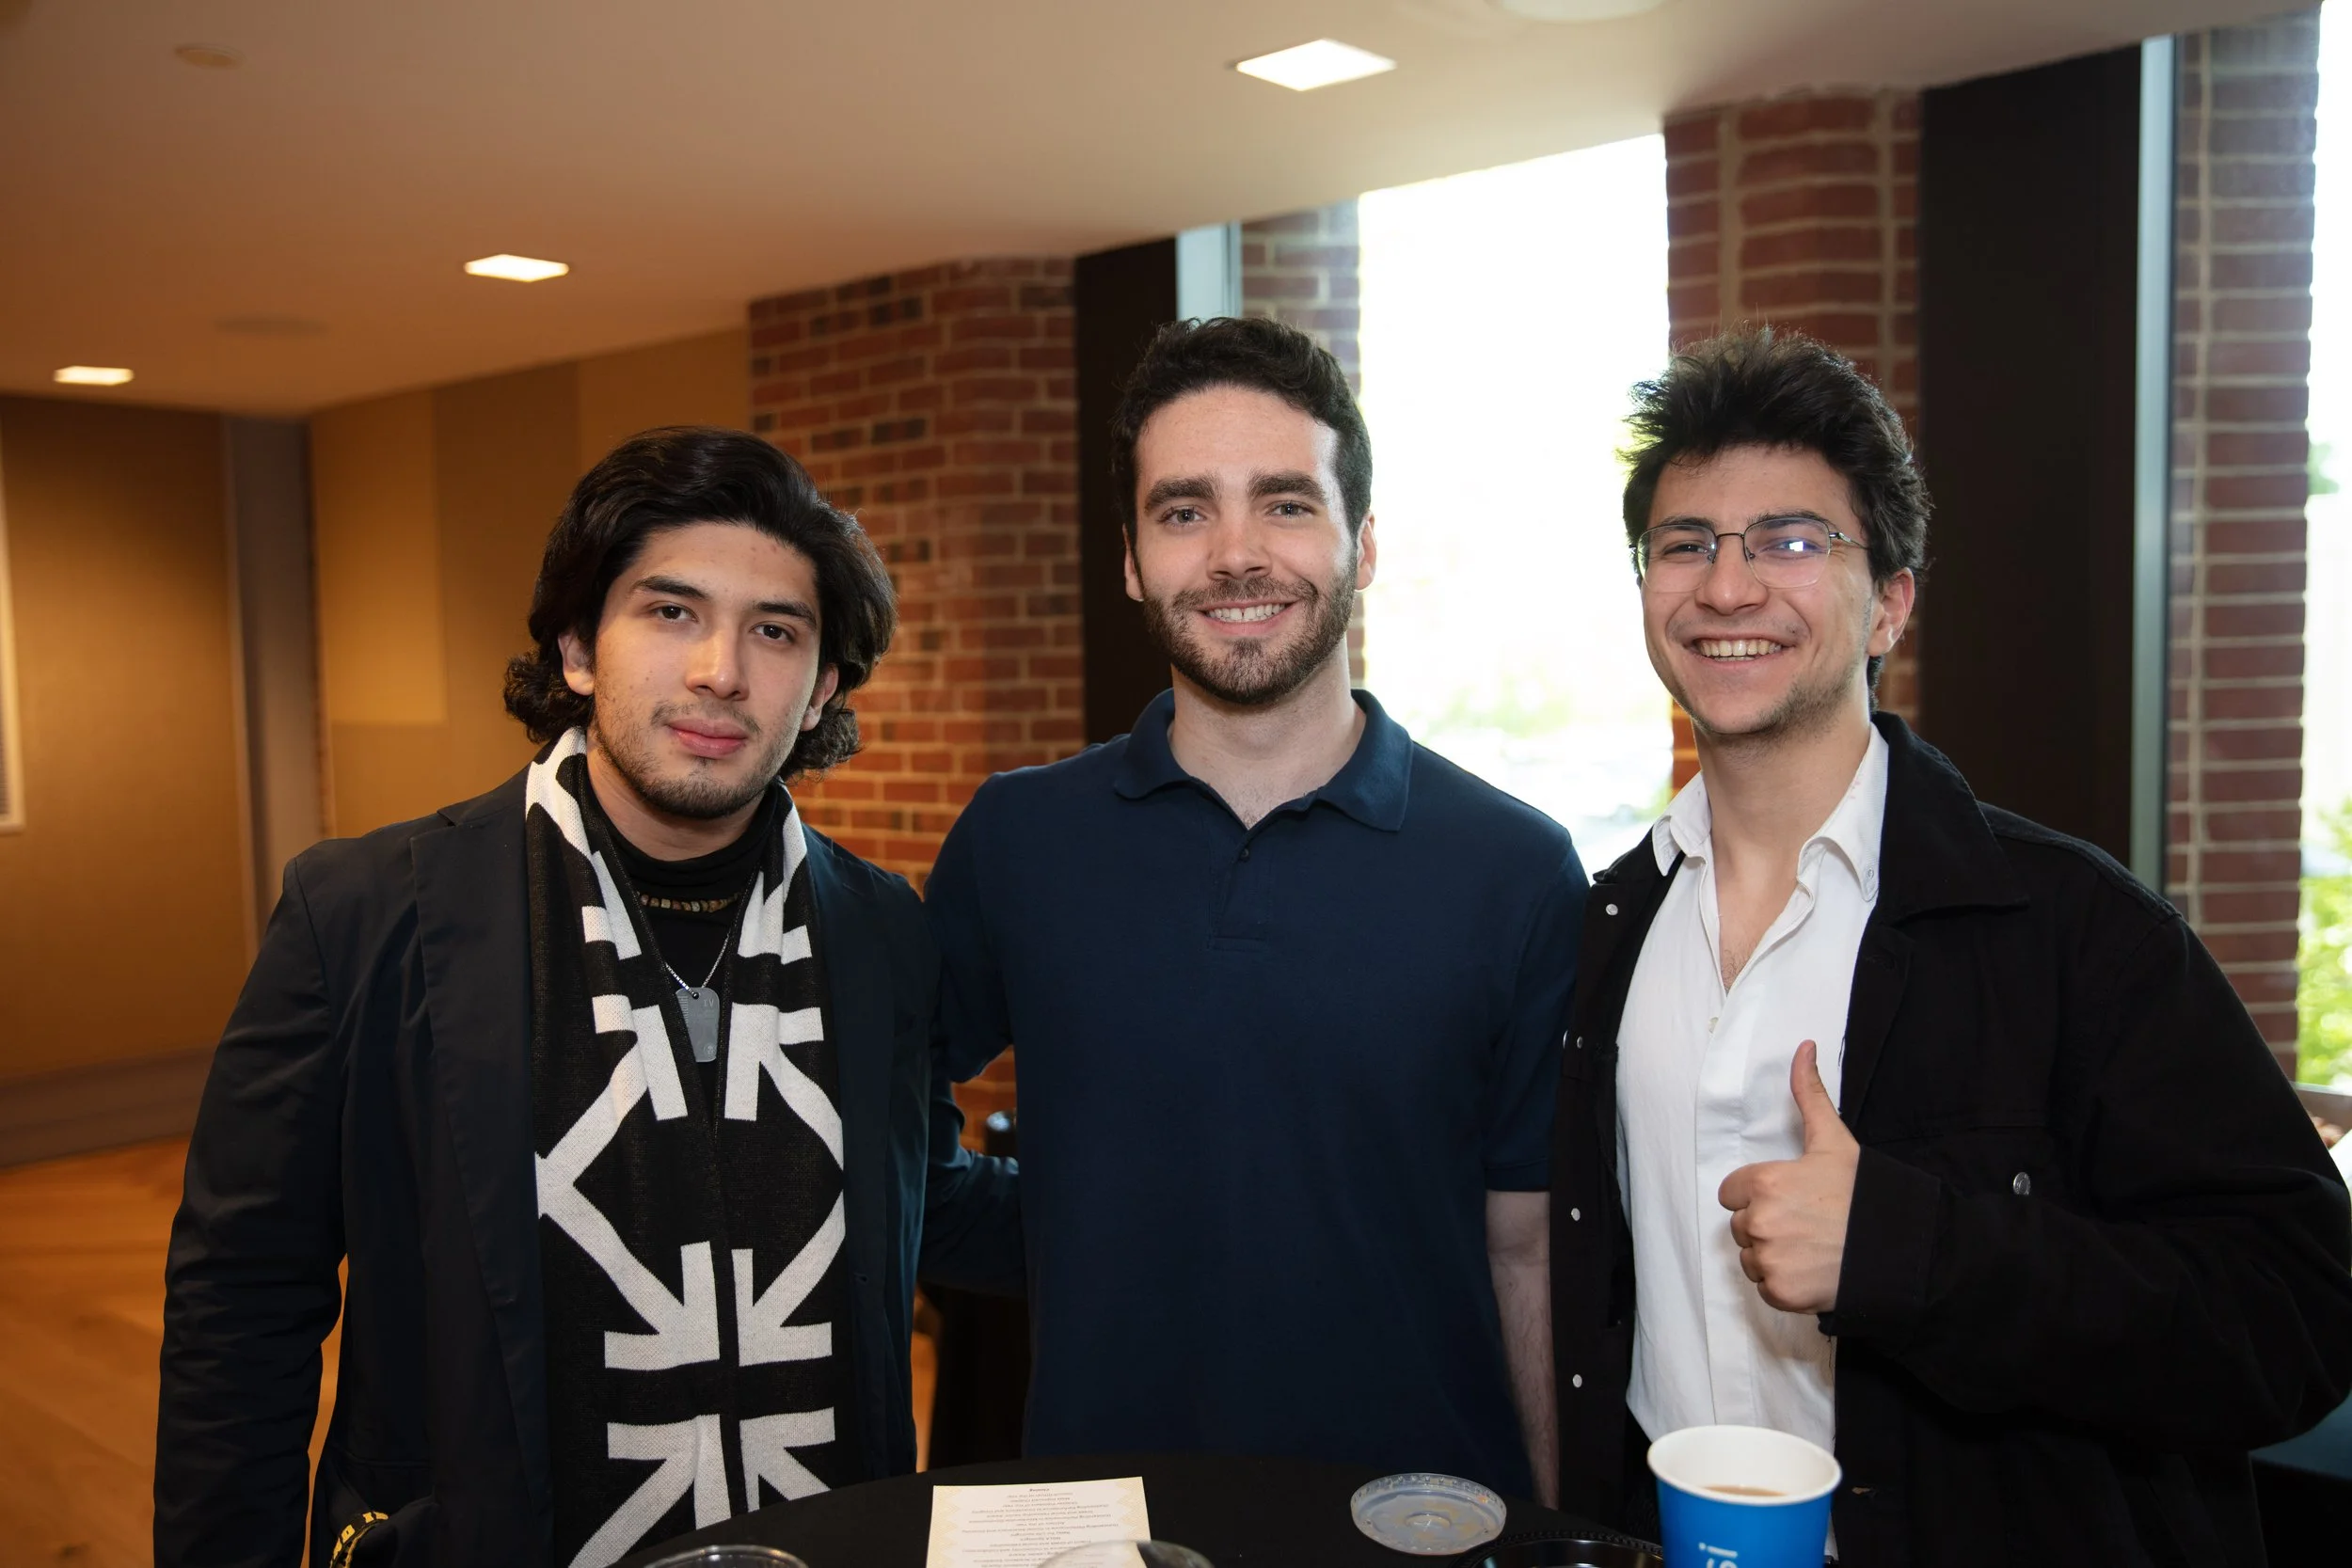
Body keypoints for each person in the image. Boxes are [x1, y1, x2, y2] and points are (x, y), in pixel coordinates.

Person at [1549, 327, 2352, 1562]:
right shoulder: (1609, 925)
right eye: (1686, 543)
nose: (1728, 584)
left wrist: (1909, 1245)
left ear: (1892, 605)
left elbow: (2295, 1316)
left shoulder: (2076, 933)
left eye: (1794, 539)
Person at [156, 428, 1020, 1568]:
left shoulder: (879, 932)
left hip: (825, 1539)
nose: (721, 668)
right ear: (574, 646)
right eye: (670, 612)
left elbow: (924, 1195)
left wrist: (1200, 1191)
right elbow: (241, 1302)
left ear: (819, 693)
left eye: (776, 631)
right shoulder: (365, 918)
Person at [924, 316, 1583, 1501]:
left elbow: (1526, 1246)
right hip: (1104, 1516)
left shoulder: (1516, 867)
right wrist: (1057, 1230)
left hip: (1424, 1516)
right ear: (1130, 557)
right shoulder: (1021, 839)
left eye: (1284, 503)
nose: (1235, 554)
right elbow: (884, 1120)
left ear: (1362, 542)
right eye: (1184, 511)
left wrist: (1547, 1527)